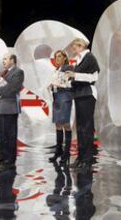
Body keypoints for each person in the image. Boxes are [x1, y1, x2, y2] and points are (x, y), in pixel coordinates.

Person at [66, 38, 99, 170]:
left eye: (74, 47)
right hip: (80, 94)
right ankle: (81, 157)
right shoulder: (80, 60)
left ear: (80, 46)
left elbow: (94, 77)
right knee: (80, 128)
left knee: (86, 127)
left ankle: (87, 159)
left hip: (87, 94)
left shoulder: (89, 58)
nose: (73, 50)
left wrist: (75, 75)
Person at [0, 53, 24, 167]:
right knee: (1, 133)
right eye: (3, 59)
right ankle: (2, 156)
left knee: (10, 133)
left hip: (9, 107)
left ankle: (10, 159)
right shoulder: (3, 73)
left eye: (5, 59)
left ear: (12, 60)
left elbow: (13, 87)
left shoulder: (18, 72)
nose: (3, 61)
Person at [48, 50, 73, 164]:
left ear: (64, 57)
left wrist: (56, 84)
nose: (57, 59)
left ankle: (66, 152)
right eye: (55, 57)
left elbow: (69, 83)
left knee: (65, 124)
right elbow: (56, 83)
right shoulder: (56, 70)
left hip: (65, 96)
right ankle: (59, 150)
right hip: (57, 97)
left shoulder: (69, 68)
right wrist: (51, 86)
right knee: (58, 124)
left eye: (59, 56)